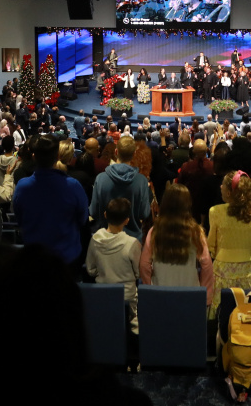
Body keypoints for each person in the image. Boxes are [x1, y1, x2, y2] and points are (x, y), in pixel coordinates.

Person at [11, 134, 89, 275]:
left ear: (34, 156)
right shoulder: (73, 186)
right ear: (57, 156)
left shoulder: (22, 187)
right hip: (67, 259)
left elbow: (19, 218)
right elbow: (82, 219)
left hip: (34, 259)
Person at [139, 183, 213, 307]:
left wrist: (150, 288)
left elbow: (144, 265)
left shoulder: (155, 231)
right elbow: (206, 265)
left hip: (160, 294)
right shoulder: (196, 232)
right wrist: (206, 297)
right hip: (191, 295)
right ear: (188, 205)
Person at [208, 170, 251, 319]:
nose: (220, 187)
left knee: (221, 314)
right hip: (246, 271)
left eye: (223, 185)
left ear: (229, 192)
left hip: (222, 271)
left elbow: (211, 245)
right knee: (245, 315)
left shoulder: (215, 211)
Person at [86, 197, 142, 333]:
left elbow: (90, 270)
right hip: (127, 300)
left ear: (105, 215)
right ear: (127, 220)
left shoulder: (95, 239)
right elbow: (138, 273)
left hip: (103, 296)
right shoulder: (132, 243)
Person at [89, 136, 152, 241]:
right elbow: (144, 213)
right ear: (134, 154)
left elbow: (93, 212)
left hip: (105, 238)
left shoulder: (100, 178)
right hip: (133, 240)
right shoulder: (142, 181)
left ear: (116, 152)